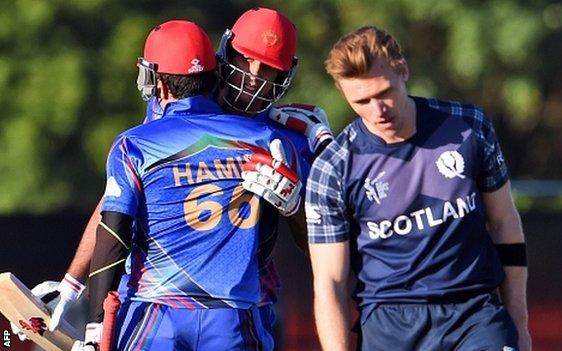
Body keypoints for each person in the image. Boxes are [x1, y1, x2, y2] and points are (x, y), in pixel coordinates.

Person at [78, 19, 304, 350]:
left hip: (154, 312)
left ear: (159, 83)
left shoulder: (134, 144)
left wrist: (96, 325)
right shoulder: (269, 138)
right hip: (234, 316)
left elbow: (113, 233)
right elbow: (268, 241)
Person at [305, 26, 531, 351]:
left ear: (403, 71)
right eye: (362, 100)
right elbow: (330, 282)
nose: (377, 110)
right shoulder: (334, 168)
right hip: (390, 324)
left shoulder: (469, 126)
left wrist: (519, 323)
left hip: (474, 313)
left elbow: (504, 223)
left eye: (384, 93)